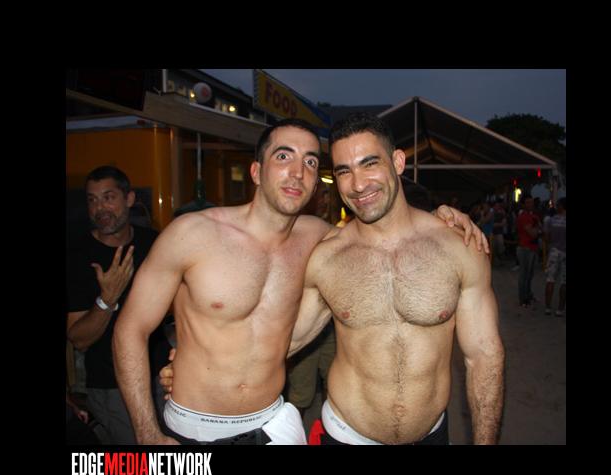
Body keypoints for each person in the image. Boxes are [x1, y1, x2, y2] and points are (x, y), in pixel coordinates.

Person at [118, 118, 488, 446]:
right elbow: (130, 328)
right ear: (256, 171)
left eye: (310, 162)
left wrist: (442, 216)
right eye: (284, 157)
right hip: (192, 426)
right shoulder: (191, 233)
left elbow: (384, 232)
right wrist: (147, 432)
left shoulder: (320, 239)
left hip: (273, 423)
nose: (298, 172)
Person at [66, 166, 169, 444]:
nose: (100, 208)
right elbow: (79, 339)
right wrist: (107, 299)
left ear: (129, 199)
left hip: (162, 378)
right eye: (92, 200)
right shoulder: (77, 255)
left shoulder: (155, 243)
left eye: (108, 197)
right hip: (112, 386)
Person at [516, 194, 541, 308]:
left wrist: (537, 229)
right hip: (525, 248)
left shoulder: (533, 216)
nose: (530, 204)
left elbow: (538, 230)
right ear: (523, 204)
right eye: (528, 202)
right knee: (524, 275)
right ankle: (523, 299)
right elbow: (533, 233)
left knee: (529, 275)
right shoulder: (524, 216)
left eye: (531, 202)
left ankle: (528, 295)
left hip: (532, 248)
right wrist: (538, 229)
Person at [543, 197, 566, 316]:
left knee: (550, 280)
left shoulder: (550, 220)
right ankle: (560, 309)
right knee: (563, 282)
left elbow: (546, 238)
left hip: (554, 251)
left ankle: (548, 307)